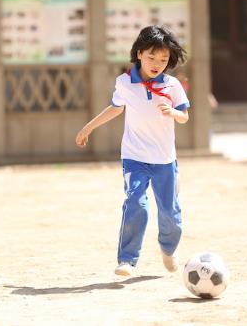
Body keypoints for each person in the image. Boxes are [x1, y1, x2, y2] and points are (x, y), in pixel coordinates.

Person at [75, 25, 189, 276]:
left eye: (163, 59)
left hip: (164, 159)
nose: (157, 63)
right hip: (134, 156)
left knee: (169, 211)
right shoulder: (125, 83)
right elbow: (115, 108)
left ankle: (168, 248)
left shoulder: (172, 85)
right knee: (136, 202)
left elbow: (185, 116)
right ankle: (127, 259)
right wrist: (89, 127)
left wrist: (175, 113)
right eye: (151, 57)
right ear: (139, 54)